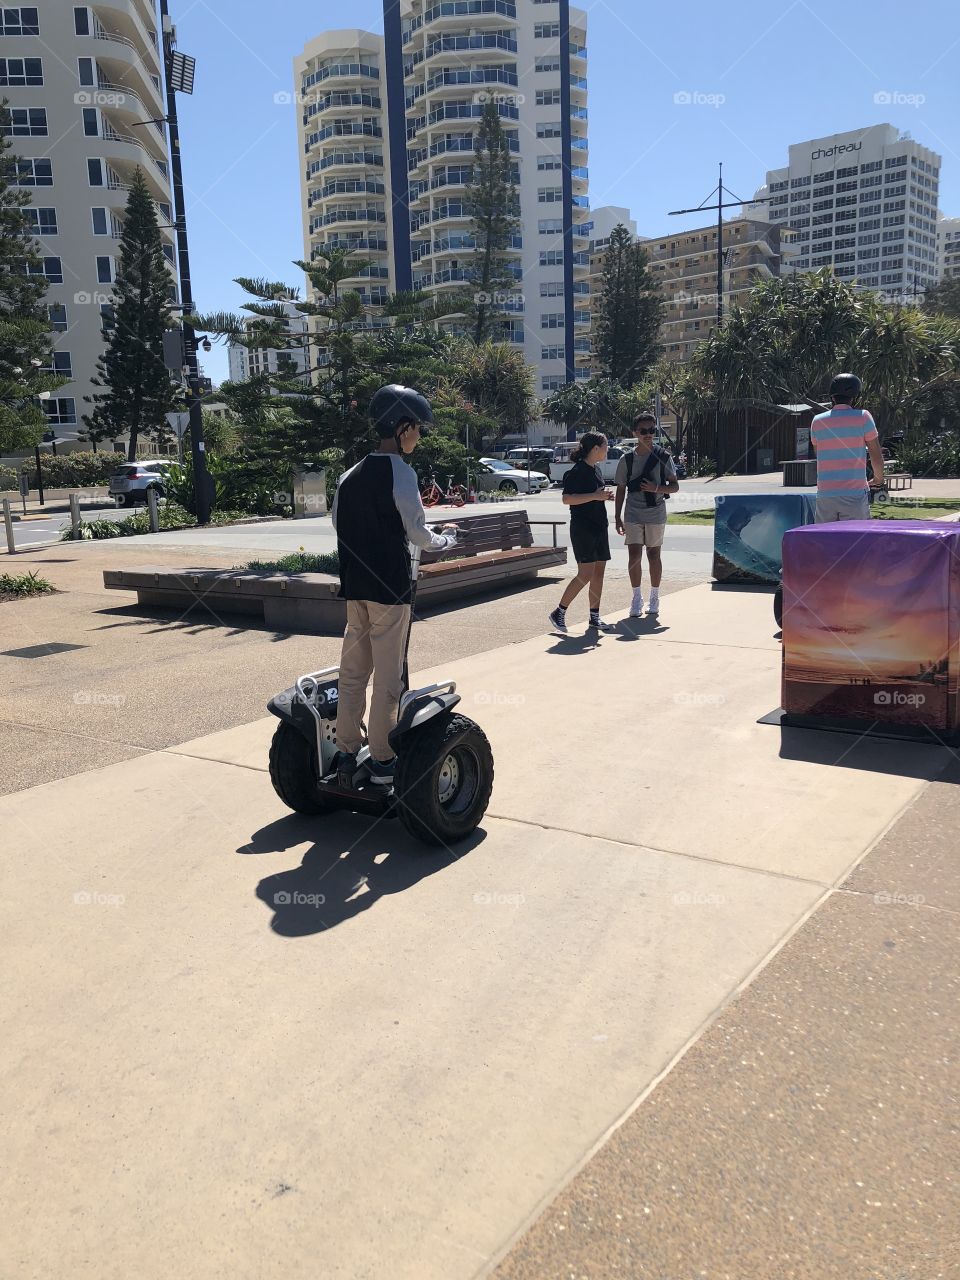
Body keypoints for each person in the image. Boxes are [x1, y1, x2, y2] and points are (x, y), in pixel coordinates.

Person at [330, 384, 458, 786]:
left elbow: (337, 522)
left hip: (356, 587)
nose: (418, 436)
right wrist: (447, 540)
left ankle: (347, 750)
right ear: (402, 428)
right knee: (389, 676)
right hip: (391, 589)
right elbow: (418, 534)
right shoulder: (401, 473)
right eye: (417, 428)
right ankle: (383, 758)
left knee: (352, 671)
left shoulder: (349, 475)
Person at [549, 431, 617, 634]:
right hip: (583, 529)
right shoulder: (576, 472)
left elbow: (593, 496)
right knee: (585, 573)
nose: (607, 450)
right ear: (595, 449)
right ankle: (558, 612)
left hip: (599, 526)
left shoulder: (595, 470)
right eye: (605, 446)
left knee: (598, 573)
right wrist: (595, 495)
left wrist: (602, 497)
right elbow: (567, 499)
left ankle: (594, 617)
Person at [614, 412, 679, 617]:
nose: (648, 434)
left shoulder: (663, 456)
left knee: (653, 555)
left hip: (655, 512)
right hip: (633, 511)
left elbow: (675, 486)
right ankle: (636, 598)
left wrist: (656, 488)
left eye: (652, 430)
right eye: (644, 431)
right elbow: (621, 489)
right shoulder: (627, 459)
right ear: (635, 433)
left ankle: (654, 596)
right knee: (634, 554)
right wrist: (617, 517)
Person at [811, 373, 885, 523]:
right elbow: (875, 454)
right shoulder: (863, 417)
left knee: (825, 542)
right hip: (855, 494)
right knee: (855, 542)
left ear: (832, 397)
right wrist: (878, 479)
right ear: (855, 396)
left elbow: (818, 454)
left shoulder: (817, 421)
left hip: (825, 495)